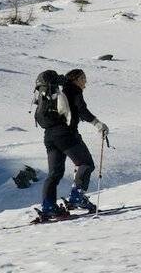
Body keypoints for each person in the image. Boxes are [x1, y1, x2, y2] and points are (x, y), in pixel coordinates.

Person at [39, 69, 109, 218]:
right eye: (83, 78)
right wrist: (97, 124)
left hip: (49, 136)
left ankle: (48, 206)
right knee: (86, 163)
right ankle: (77, 197)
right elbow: (81, 110)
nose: (85, 82)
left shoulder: (59, 93)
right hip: (66, 134)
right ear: (75, 79)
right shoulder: (73, 90)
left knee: (54, 174)